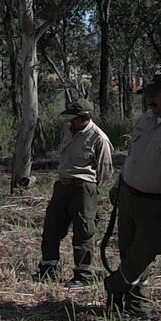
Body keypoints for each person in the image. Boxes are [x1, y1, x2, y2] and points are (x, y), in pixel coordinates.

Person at [105, 72, 161, 318]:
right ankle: (128, 303)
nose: (149, 101)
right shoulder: (147, 118)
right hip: (129, 195)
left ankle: (115, 285)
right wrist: (118, 183)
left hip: (156, 204)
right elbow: (133, 154)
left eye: (154, 96)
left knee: (147, 250)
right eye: (147, 96)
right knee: (129, 252)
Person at [36, 98, 113, 288]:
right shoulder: (67, 130)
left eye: (74, 118)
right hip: (62, 185)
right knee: (52, 226)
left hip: (83, 187)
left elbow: (105, 169)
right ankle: (48, 269)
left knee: (84, 231)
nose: (71, 121)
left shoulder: (99, 138)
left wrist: (90, 189)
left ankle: (83, 274)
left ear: (85, 117)